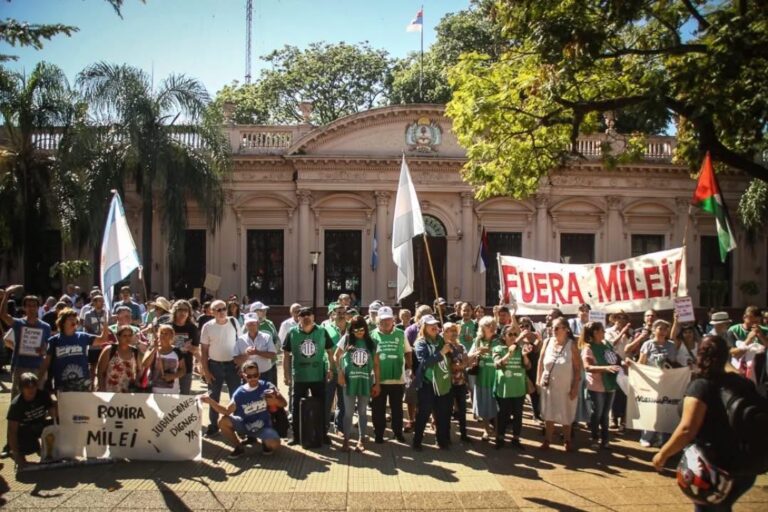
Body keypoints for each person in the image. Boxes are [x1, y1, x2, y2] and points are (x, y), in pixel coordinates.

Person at [652, 335, 759, 511]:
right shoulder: (744, 383)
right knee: (723, 507)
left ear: (700, 355)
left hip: (715, 467)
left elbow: (687, 429)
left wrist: (662, 455)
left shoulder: (701, 386)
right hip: (746, 464)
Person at [201, 361, 286, 458]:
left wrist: (275, 401)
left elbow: (284, 403)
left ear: (259, 374)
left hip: (264, 426)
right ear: (243, 376)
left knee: (274, 445)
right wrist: (210, 401)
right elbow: (227, 411)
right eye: (249, 376)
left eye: (255, 375)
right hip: (244, 425)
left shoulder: (268, 386)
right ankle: (238, 447)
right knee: (222, 422)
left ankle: (265, 443)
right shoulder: (239, 393)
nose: (253, 378)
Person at [282, 307, 335, 446]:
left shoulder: (322, 332)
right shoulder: (292, 332)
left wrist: (330, 368)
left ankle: (323, 435)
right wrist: (286, 375)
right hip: (299, 376)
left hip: (318, 375)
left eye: (308, 314)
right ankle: (296, 435)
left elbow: (330, 352)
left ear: (313, 317)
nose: (306, 317)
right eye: (302, 315)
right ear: (298, 317)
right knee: (295, 407)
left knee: (322, 407)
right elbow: (286, 355)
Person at [39, 308, 110, 392]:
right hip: (62, 383)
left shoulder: (83, 337)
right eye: (70, 319)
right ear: (62, 322)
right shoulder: (54, 340)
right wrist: (38, 379)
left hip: (83, 383)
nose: (73, 321)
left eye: (75, 319)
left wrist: (106, 323)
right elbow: (46, 362)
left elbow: (103, 340)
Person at [537, 317, 581, 451]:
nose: (552, 330)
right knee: (548, 412)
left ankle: (567, 440)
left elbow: (578, 368)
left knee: (566, 412)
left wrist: (575, 387)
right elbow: (540, 361)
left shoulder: (571, 345)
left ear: (566, 329)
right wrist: (538, 381)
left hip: (566, 386)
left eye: (556, 328)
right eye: (551, 328)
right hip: (549, 385)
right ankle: (547, 440)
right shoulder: (547, 341)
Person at [200, 299, 242, 437]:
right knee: (213, 397)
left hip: (232, 365)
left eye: (224, 308)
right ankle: (213, 425)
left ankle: (237, 424)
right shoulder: (207, 327)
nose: (222, 312)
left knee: (236, 396)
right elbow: (204, 351)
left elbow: (241, 343)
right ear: (212, 312)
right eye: (218, 310)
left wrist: (241, 364)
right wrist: (206, 371)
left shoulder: (234, 322)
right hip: (214, 366)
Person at [335, 316, 376, 452]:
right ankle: (346, 439)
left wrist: (377, 383)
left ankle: (361, 439)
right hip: (349, 381)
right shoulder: (346, 339)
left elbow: (376, 364)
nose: (359, 332)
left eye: (362, 329)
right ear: (351, 330)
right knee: (348, 412)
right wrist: (340, 372)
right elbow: (336, 356)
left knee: (363, 412)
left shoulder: (371, 342)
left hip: (365, 381)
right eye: (356, 329)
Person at [371, 306, 411, 443]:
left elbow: (408, 351)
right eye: (383, 320)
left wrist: (409, 369)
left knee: (397, 409)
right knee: (378, 410)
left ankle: (398, 432)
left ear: (393, 319)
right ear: (378, 321)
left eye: (388, 319)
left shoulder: (401, 333)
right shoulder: (372, 335)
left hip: (397, 379)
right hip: (378, 380)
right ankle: (379, 434)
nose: (386, 322)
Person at [412, 315, 452, 450]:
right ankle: (417, 441)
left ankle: (441, 440)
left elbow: (452, 354)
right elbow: (424, 363)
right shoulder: (420, 343)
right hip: (427, 383)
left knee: (442, 413)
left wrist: (449, 344)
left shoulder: (441, 340)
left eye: (435, 324)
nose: (434, 326)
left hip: (442, 382)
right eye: (430, 325)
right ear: (424, 327)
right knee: (424, 413)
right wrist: (441, 353)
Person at [0, 291, 51, 397]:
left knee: (37, 397)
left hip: (38, 367)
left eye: (34, 306)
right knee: (17, 397)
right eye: (28, 306)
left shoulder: (46, 327)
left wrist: (43, 350)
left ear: (38, 307)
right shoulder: (18, 323)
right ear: (24, 308)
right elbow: (3, 315)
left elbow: (47, 348)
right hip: (20, 366)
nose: (31, 308)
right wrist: (6, 295)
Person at [580, 322, 620, 450]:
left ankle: (605, 439)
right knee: (597, 413)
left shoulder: (607, 345)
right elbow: (587, 367)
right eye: (602, 330)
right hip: (596, 386)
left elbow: (614, 359)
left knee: (605, 413)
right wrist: (606, 368)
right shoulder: (588, 348)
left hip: (610, 384)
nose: (604, 333)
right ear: (595, 332)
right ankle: (594, 437)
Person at [638, 319, 677, 447]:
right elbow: (641, 363)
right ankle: (646, 437)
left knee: (665, 409)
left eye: (665, 329)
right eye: (660, 328)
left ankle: (662, 438)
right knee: (650, 409)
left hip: (666, 382)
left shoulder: (671, 345)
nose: (662, 331)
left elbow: (673, 363)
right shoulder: (647, 344)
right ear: (654, 330)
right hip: (650, 382)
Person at [6, 373, 56, 470]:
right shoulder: (16, 405)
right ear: (21, 388)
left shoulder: (43, 395)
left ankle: (52, 451)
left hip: (41, 425)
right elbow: (11, 431)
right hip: (27, 430)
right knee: (19, 435)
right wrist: (17, 456)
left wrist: (54, 407)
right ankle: (20, 453)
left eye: (33, 386)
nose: (31, 389)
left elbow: (52, 411)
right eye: (27, 387)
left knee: (59, 422)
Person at [493, 324, 530, 450]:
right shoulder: (498, 348)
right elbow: (497, 364)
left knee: (518, 415)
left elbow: (528, 366)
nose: (513, 337)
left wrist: (525, 356)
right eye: (510, 334)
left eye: (515, 334)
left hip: (519, 388)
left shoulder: (521, 349)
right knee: (502, 415)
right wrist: (510, 352)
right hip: (504, 388)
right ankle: (500, 438)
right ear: (504, 336)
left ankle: (516, 438)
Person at [469, 316, 499, 441]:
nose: (491, 328)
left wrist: (489, 350)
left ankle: (498, 431)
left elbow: (506, 353)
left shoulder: (499, 340)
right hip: (482, 377)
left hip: (496, 378)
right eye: (488, 326)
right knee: (483, 405)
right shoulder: (477, 340)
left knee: (497, 406)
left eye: (493, 325)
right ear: (482, 328)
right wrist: (476, 354)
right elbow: (469, 355)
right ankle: (486, 430)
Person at [442, 322, 471, 442]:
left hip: (460, 383)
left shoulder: (461, 347)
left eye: (455, 330)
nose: (453, 333)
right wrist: (460, 365)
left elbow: (466, 362)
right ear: (444, 332)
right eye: (450, 330)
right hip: (448, 383)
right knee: (447, 410)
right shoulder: (444, 346)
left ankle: (464, 434)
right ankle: (446, 436)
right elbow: (452, 366)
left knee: (462, 410)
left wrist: (462, 365)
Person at [605, 311, 632, 431]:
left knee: (623, 392)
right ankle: (612, 418)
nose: (621, 320)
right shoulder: (608, 331)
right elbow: (611, 344)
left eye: (624, 318)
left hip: (624, 365)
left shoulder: (628, 333)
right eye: (618, 317)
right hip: (612, 364)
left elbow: (629, 350)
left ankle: (623, 419)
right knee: (613, 391)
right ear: (613, 319)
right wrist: (622, 332)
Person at [323, 303, 347, 435]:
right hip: (331, 371)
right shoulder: (326, 328)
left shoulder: (351, 328)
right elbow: (324, 351)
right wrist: (328, 368)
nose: (342, 315)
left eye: (344, 312)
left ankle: (340, 427)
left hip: (346, 371)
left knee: (343, 402)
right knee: (327, 401)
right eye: (339, 312)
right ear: (332, 314)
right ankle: (324, 427)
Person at [167, 299, 200, 394]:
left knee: (184, 396)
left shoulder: (192, 328)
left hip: (186, 367)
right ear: (175, 311)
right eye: (180, 309)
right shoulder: (168, 326)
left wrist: (188, 347)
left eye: (186, 310)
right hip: (168, 366)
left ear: (189, 312)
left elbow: (196, 349)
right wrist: (182, 344)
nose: (183, 312)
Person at [96, 324, 141, 393]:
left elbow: (139, 370)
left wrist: (137, 384)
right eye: (124, 336)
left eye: (130, 335)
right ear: (118, 336)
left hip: (129, 393)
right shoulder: (109, 350)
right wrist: (102, 389)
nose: (127, 338)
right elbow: (100, 372)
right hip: (109, 391)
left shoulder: (135, 352)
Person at [235, 313, 277, 385]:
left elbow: (272, 355)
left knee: (267, 395)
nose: (251, 326)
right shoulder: (240, 339)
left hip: (265, 374)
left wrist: (257, 352)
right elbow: (236, 360)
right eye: (249, 324)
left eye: (253, 323)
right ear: (245, 325)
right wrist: (246, 354)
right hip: (248, 376)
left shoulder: (267, 337)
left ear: (258, 324)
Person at [143, 324, 187, 394]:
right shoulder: (151, 349)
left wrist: (173, 376)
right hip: (153, 391)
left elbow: (183, 370)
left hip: (172, 391)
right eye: (161, 333)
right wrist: (155, 349)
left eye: (166, 333)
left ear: (172, 336)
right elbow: (145, 364)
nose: (162, 335)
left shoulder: (177, 351)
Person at [728, 306, 768, 381]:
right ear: (744, 317)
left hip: (760, 374)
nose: (754, 324)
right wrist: (749, 339)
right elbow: (733, 353)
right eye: (752, 321)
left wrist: (761, 335)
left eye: (757, 322)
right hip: (740, 373)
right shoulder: (733, 330)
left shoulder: (764, 331)